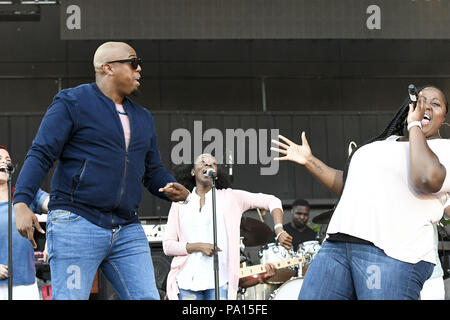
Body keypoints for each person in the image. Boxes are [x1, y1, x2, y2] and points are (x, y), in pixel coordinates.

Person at [12, 42, 190, 300]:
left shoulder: (143, 117)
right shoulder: (72, 102)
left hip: (126, 227)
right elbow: (41, 153)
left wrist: (171, 187)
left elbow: (153, 172)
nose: (139, 69)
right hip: (76, 223)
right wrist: (21, 202)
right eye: (133, 62)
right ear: (107, 67)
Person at [272, 85, 450, 300]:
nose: (425, 106)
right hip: (337, 246)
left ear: (444, 119)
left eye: (435, 103)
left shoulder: (443, 148)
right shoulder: (382, 143)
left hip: (391, 254)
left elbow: (427, 178)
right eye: (420, 101)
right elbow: (348, 188)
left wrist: (414, 125)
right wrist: (310, 161)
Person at [163, 153, 293, 300]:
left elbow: (272, 201)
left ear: (216, 173)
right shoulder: (180, 203)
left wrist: (279, 229)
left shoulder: (231, 197)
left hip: (220, 281)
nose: (208, 165)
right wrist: (197, 246)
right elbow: (168, 246)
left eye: (213, 164)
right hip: (186, 280)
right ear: (193, 171)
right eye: (203, 162)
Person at [0, 145, 49, 300]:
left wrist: (53, 238)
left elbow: (58, 207)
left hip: (25, 285)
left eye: (7, 160)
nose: (4, 162)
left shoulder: (25, 195)